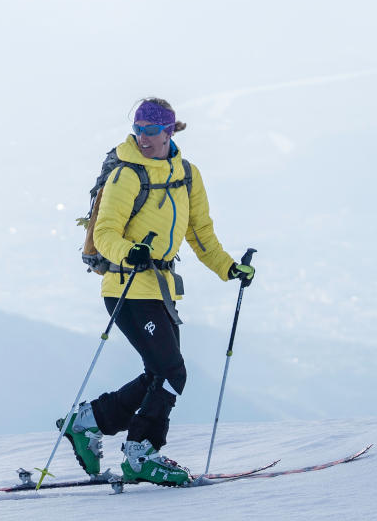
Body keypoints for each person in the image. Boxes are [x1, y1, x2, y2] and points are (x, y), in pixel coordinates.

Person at [61, 97, 254, 486]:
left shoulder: (187, 173)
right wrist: (128, 253)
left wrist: (228, 268)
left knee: (159, 373)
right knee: (172, 372)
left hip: (160, 287)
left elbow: (200, 233)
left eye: (151, 131)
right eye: (138, 131)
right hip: (126, 286)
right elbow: (105, 233)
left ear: (170, 131)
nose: (143, 138)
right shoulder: (126, 174)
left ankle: (89, 421)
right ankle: (141, 452)